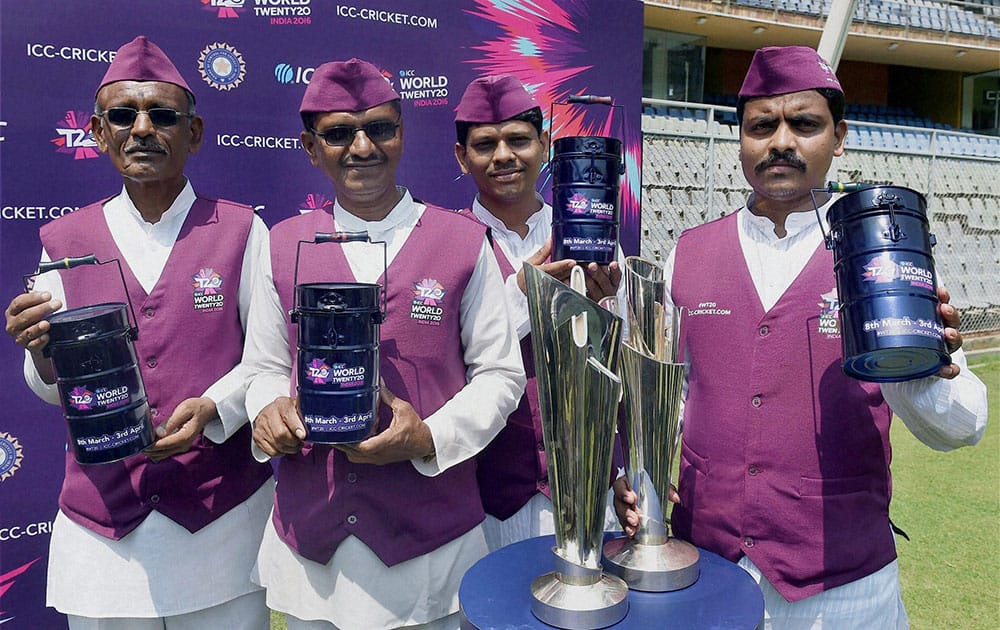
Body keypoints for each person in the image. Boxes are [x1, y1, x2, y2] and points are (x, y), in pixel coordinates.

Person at [614, 46, 988, 628]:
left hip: (841, 587)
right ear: (741, 140)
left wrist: (928, 368)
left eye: (804, 124)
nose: (780, 142)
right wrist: (637, 489)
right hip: (708, 566)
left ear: (839, 137)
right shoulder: (689, 251)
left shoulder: (884, 249)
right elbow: (668, 402)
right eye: (761, 126)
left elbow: (961, 428)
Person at [243, 58, 525, 629]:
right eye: (340, 133)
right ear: (310, 147)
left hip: (429, 546)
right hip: (314, 542)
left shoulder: (463, 242)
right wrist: (267, 409)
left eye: (380, 128)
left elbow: (500, 374)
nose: (362, 146)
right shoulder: (280, 245)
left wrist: (429, 437)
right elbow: (266, 366)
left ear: (401, 134)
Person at [3, 36, 274, 629]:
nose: (143, 129)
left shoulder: (241, 231)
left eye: (163, 116)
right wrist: (41, 354)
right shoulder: (64, 242)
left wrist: (213, 408)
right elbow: (49, 380)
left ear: (194, 133)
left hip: (220, 522)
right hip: (103, 531)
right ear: (98, 134)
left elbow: (267, 360)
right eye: (123, 116)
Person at [453, 74, 626, 551]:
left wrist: (602, 308)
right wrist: (526, 295)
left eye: (519, 140)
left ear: (546, 145)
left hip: (584, 475)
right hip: (487, 495)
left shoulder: (593, 233)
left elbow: (622, 364)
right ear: (461, 157)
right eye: (485, 144)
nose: (504, 155)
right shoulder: (447, 245)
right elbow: (447, 363)